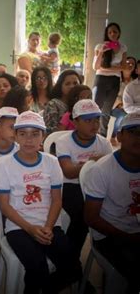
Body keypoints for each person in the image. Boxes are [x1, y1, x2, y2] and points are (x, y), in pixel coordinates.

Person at [0, 111, 83, 293]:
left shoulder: (51, 162)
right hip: (18, 227)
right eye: (23, 134)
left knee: (74, 268)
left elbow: (57, 200)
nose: (28, 139)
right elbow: (5, 206)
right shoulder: (4, 165)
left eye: (35, 134)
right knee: (37, 265)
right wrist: (30, 229)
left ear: (43, 136)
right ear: (16, 136)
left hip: (50, 226)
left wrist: (48, 227)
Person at [84, 111, 140, 293]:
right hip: (110, 235)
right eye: (133, 132)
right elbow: (91, 218)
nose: (138, 138)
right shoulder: (101, 170)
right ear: (119, 135)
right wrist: (129, 237)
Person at [56, 99, 112, 260]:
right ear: (75, 122)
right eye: (88, 120)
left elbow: (110, 174)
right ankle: (72, 262)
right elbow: (68, 172)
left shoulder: (104, 144)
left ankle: (73, 262)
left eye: (97, 119)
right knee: (83, 215)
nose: (94, 124)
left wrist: (84, 165)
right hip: (70, 186)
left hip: (97, 187)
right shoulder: (64, 142)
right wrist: (93, 162)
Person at [93, 22, 128, 136]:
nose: (112, 34)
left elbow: (124, 67)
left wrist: (107, 67)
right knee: (96, 107)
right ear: (107, 34)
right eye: (110, 32)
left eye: (115, 32)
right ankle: (92, 133)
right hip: (101, 79)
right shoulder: (100, 46)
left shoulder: (123, 47)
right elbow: (96, 67)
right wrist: (101, 53)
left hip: (114, 81)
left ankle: (102, 135)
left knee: (107, 109)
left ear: (119, 34)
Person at [43, 69, 82, 135]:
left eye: (75, 83)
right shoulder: (53, 104)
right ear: (60, 86)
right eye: (67, 84)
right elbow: (50, 132)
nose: (72, 86)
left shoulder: (83, 104)